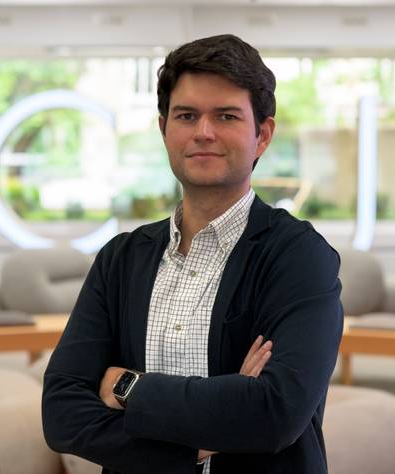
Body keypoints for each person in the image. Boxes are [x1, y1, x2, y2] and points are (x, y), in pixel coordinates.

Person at [42, 34, 343, 474]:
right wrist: (203, 437)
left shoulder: (299, 256)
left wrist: (127, 387)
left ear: (262, 135)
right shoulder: (120, 259)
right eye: (187, 115)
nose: (203, 132)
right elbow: (62, 415)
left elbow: (275, 413)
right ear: (164, 129)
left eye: (226, 116)